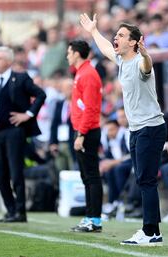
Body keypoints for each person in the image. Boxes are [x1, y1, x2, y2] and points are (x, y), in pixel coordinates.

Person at [80, 13, 166, 246]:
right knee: (143, 180)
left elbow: (147, 67)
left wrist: (147, 54)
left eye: (121, 35)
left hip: (151, 127)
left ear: (133, 42)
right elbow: (106, 47)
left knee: (146, 181)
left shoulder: (140, 61)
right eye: (116, 35)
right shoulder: (121, 60)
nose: (115, 38)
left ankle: (150, 232)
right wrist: (93, 31)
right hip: (137, 129)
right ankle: (153, 231)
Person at [0, 46, 46, 222]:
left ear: (9, 61)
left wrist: (28, 114)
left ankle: (20, 212)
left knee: (16, 173)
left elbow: (40, 95)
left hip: (15, 133)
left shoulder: (22, 78)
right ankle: (10, 210)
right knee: (0, 174)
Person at [67, 40, 104, 232]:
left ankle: (95, 220)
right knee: (86, 177)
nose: (67, 56)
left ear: (76, 54)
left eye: (69, 52)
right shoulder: (82, 72)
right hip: (83, 129)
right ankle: (90, 217)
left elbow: (90, 108)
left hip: (87, 131)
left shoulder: (88, 74)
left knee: (91, 176)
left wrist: (81, 133)